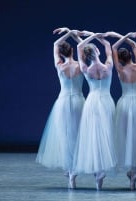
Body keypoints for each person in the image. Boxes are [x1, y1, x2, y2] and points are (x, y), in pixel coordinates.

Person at [36, 27, 85, 189]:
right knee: (78, 134)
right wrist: (75, 34)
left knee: (66, 135)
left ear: (62, 53)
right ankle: (75, 168)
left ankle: (70, 171)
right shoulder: (81, 65)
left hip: (63, 102)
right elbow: (84, 47)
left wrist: (68, 32)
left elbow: (56, 44)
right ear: (72, 51)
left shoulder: (59, 65)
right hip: (78, 101)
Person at [72, 31, 117, 190]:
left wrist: (89, 36)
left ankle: (96, 172)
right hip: (105, 101)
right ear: (97, 52)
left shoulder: (85, 68)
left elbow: (79, 46)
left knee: (93, 136)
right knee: (105, 135)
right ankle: (100, 172)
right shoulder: (108, 65)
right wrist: (97, 35)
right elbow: (107, 45)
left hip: (92, 102)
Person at [108, 31, 136, 190]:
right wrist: (130, 38)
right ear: (130, 55)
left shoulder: (120, 70)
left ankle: (131, 172)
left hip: (124, 105)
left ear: (120, 60)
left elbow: (113, 48)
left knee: (127, 137)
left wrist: (117, 36)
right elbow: (135, 45)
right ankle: (134, 170)